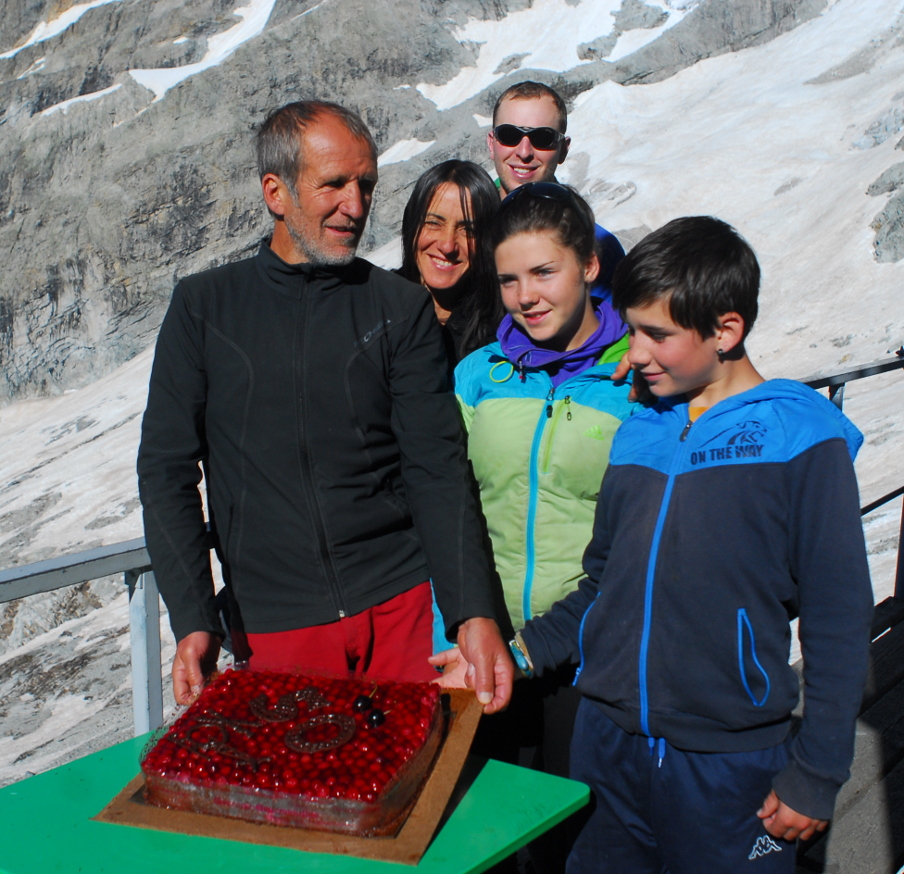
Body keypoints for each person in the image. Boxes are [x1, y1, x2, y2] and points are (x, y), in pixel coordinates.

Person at [439, 216, 874, 873]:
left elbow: (838, 617)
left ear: (726, 330)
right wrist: (512, 655)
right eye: (631, 328)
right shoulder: (640, 429)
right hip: (605, 745)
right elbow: (601, 586)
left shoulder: (800, 439)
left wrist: (817, 771)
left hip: (728, 761)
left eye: (654, 335)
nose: (632, 352)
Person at [137, 100, 512, 712]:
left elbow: (436, 467)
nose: (356, 206)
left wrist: (472, 611)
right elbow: (165, 471)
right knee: (306, 803)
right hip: (276, 623)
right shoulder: (204, 309)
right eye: (334, 184)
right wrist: (192, 616)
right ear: (276, 192)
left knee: (419, 799)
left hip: (403, 610)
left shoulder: (398, 307)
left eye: (365, 185)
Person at [445, 182, 633, 873]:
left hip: (591, 659)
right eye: (509, 279)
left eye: (544, 272)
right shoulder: (478, 375)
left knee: (580, 846)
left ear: (588, 265)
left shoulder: (633, 380)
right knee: (487, 842)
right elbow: (447, 504)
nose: (525, 296)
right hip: (487, 653)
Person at [487, 80, 624, 298]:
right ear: (491, 143)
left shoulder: (597, 245)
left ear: (563, 150)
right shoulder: (463, 225)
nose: (524, 152)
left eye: (542, 138)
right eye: (509, 135)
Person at [398, 160, 501, 364]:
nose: (447, 245)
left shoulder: (504, 335)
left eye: (468, 230)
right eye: (433, 223)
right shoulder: (376, 307)